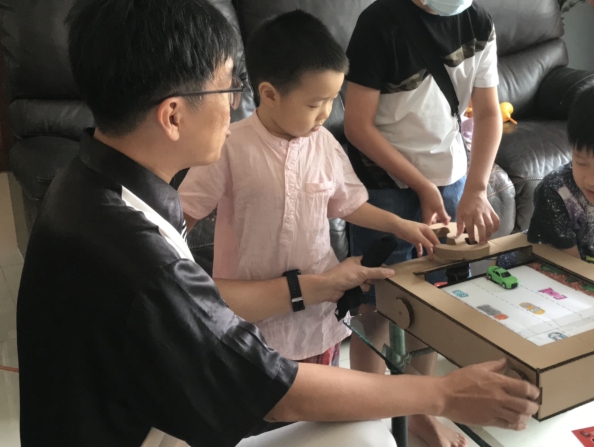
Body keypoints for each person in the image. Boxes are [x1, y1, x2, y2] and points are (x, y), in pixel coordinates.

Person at [16, 1, 540, 446]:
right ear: (173, 115)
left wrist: (322, 284)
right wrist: (443, 394)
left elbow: (203, 304)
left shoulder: (87, 186)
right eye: (229, 88)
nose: (237, 103)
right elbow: (273, 387)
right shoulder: (139, 258)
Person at [178, 10, 439, 368]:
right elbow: (182, 216)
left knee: (323, 411)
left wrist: (399, 224)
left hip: (318, 312)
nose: (325, 114)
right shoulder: (229, 147)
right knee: (266, 410)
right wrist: (184, 278)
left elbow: (347, 204)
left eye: (333, 100)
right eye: (315, 104)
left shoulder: (325, 144)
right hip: (253, 317)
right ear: (269, 95)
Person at [343, 0, 503, 446]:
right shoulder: (378, 23)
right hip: (384, 186)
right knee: (375, 305)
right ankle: (370, 422)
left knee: (431, 308)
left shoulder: (478, 21)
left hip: (451, 181)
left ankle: (419, 412)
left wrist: (476, 187)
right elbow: (357, 126)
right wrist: (420, 187)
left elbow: (488, 113)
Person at [528, 85, 594, 263]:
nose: (593, 180)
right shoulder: (555, 192)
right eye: (581, 162)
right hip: (561, 271)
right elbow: (571, 266)